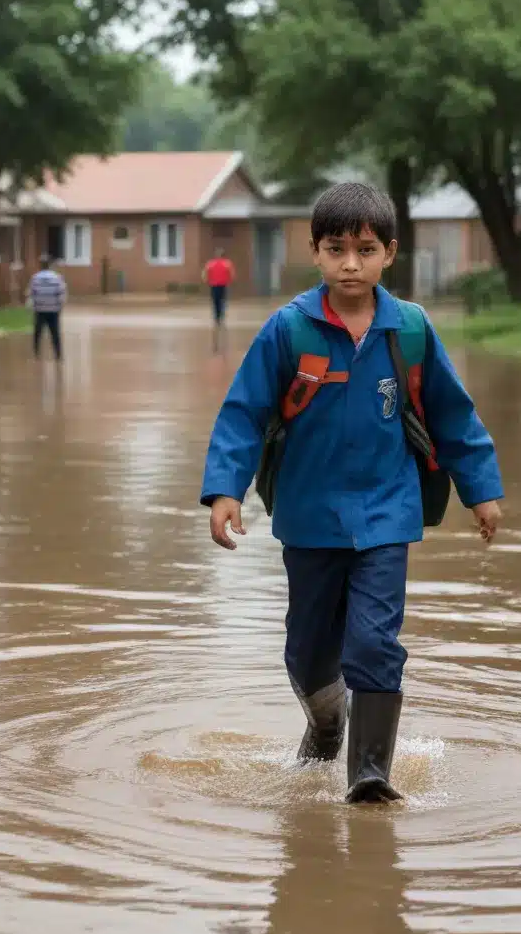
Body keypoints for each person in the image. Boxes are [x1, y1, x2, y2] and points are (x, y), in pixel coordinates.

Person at [199, 182, 503, 803]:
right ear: (315, 251)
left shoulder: (410, 330)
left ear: (389, 252)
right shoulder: (289, 330)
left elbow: (452, 414)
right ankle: (326, 720)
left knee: (373, 640)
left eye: (365, 250)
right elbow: (242, 414)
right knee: (309, 653)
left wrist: (481, 489)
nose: (350, 263)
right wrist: (224, 491)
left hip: (388, 513)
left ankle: (370, 774)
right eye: (336, 248)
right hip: (309, 517)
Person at [27, 254, 67, 360]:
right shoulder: (57, 278)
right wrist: (60, 307)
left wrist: (33, 307)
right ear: (50, 265)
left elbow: (31, 294)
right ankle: (58, 355)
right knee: (55, 333)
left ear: (40, 265)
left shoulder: (35, 278)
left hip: (40, 310)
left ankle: (36, 354)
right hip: (53, 310)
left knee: (37, 332)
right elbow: (62, 294)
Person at [202, 248, 236, 350]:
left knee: (215, 302)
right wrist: (229, 280)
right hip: (223, 286)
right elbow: (232, 274)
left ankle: (216, 317)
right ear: (223, 255)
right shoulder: (227, 263)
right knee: (222, 301)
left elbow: (204, 274)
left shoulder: (210, 263)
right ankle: (221, 317)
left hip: (214, 286)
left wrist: (208, 281)